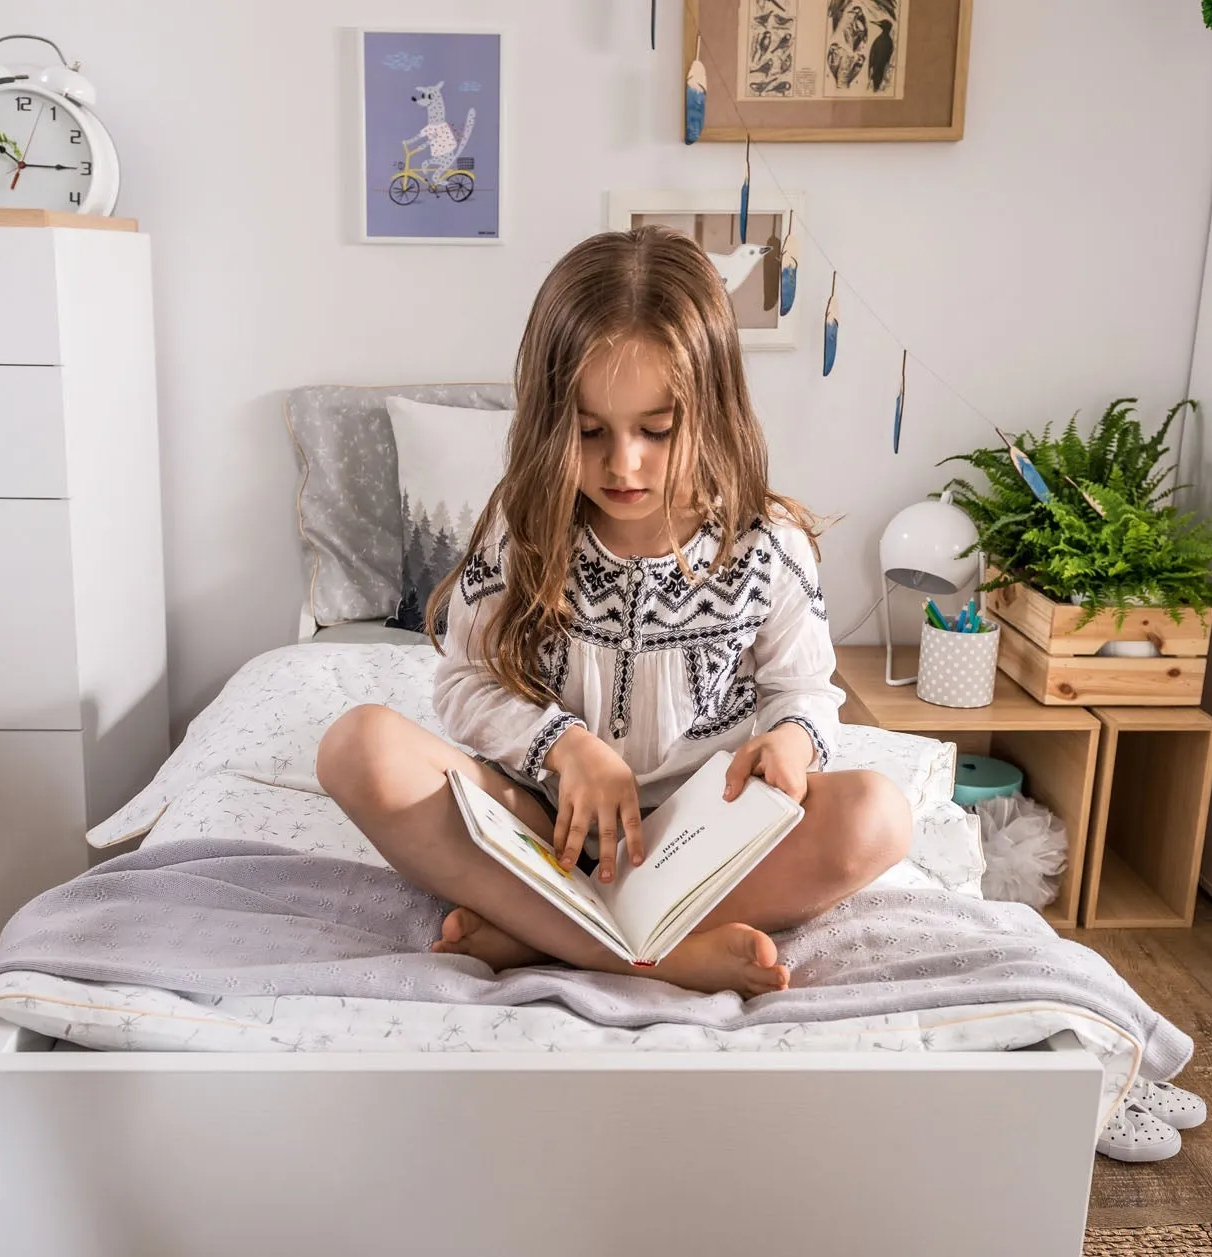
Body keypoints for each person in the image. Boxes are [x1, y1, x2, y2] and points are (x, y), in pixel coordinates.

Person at [317, 226, 913, 996]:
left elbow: (804, 691)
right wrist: (565, 748)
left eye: (656, 431)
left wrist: (794, 743)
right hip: (543, 831)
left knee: (879, 815)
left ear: (713, 408)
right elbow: (464, 685)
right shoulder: (523, 528)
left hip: (705, 848)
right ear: (546, 419)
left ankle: (547, 937)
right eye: (590, 431)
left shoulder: (769, 544)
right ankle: (646, 955)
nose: (622, 463)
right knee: (356, 746)